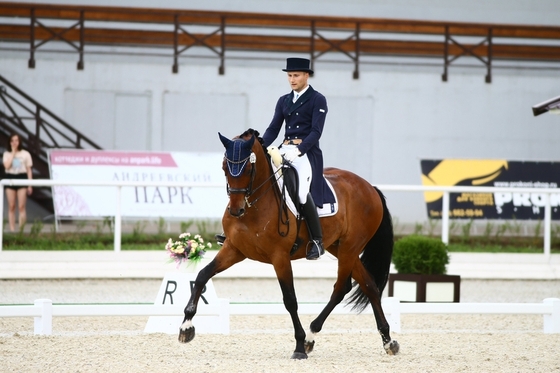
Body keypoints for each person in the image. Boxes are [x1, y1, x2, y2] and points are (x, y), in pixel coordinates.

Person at [218, 57, 335, 260]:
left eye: (296, 75)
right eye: (289, 76)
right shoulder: (284, 100)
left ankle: (316, 240)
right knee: (258, 180)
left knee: (300, 192)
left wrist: (299, 151)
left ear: (306, 75)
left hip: (306, 153)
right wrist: (259, 147)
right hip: (283, 149)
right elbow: (273, 128)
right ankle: (234, 230)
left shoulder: (318, 99)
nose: (292, 79)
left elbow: (316, 132)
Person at [3, 133, 33, 232]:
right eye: (12, 140)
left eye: (16, 140)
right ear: (10, 142)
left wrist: (30, 184)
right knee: (11, 206)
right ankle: (12, 229)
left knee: (21, 206)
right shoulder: (6, 154)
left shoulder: (25, 154)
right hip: (10, 177)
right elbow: (7, 166)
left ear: (19, 141)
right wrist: (13, 153)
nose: (14, 142)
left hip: (22, 177)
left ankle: (21, 230)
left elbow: (29, 170)